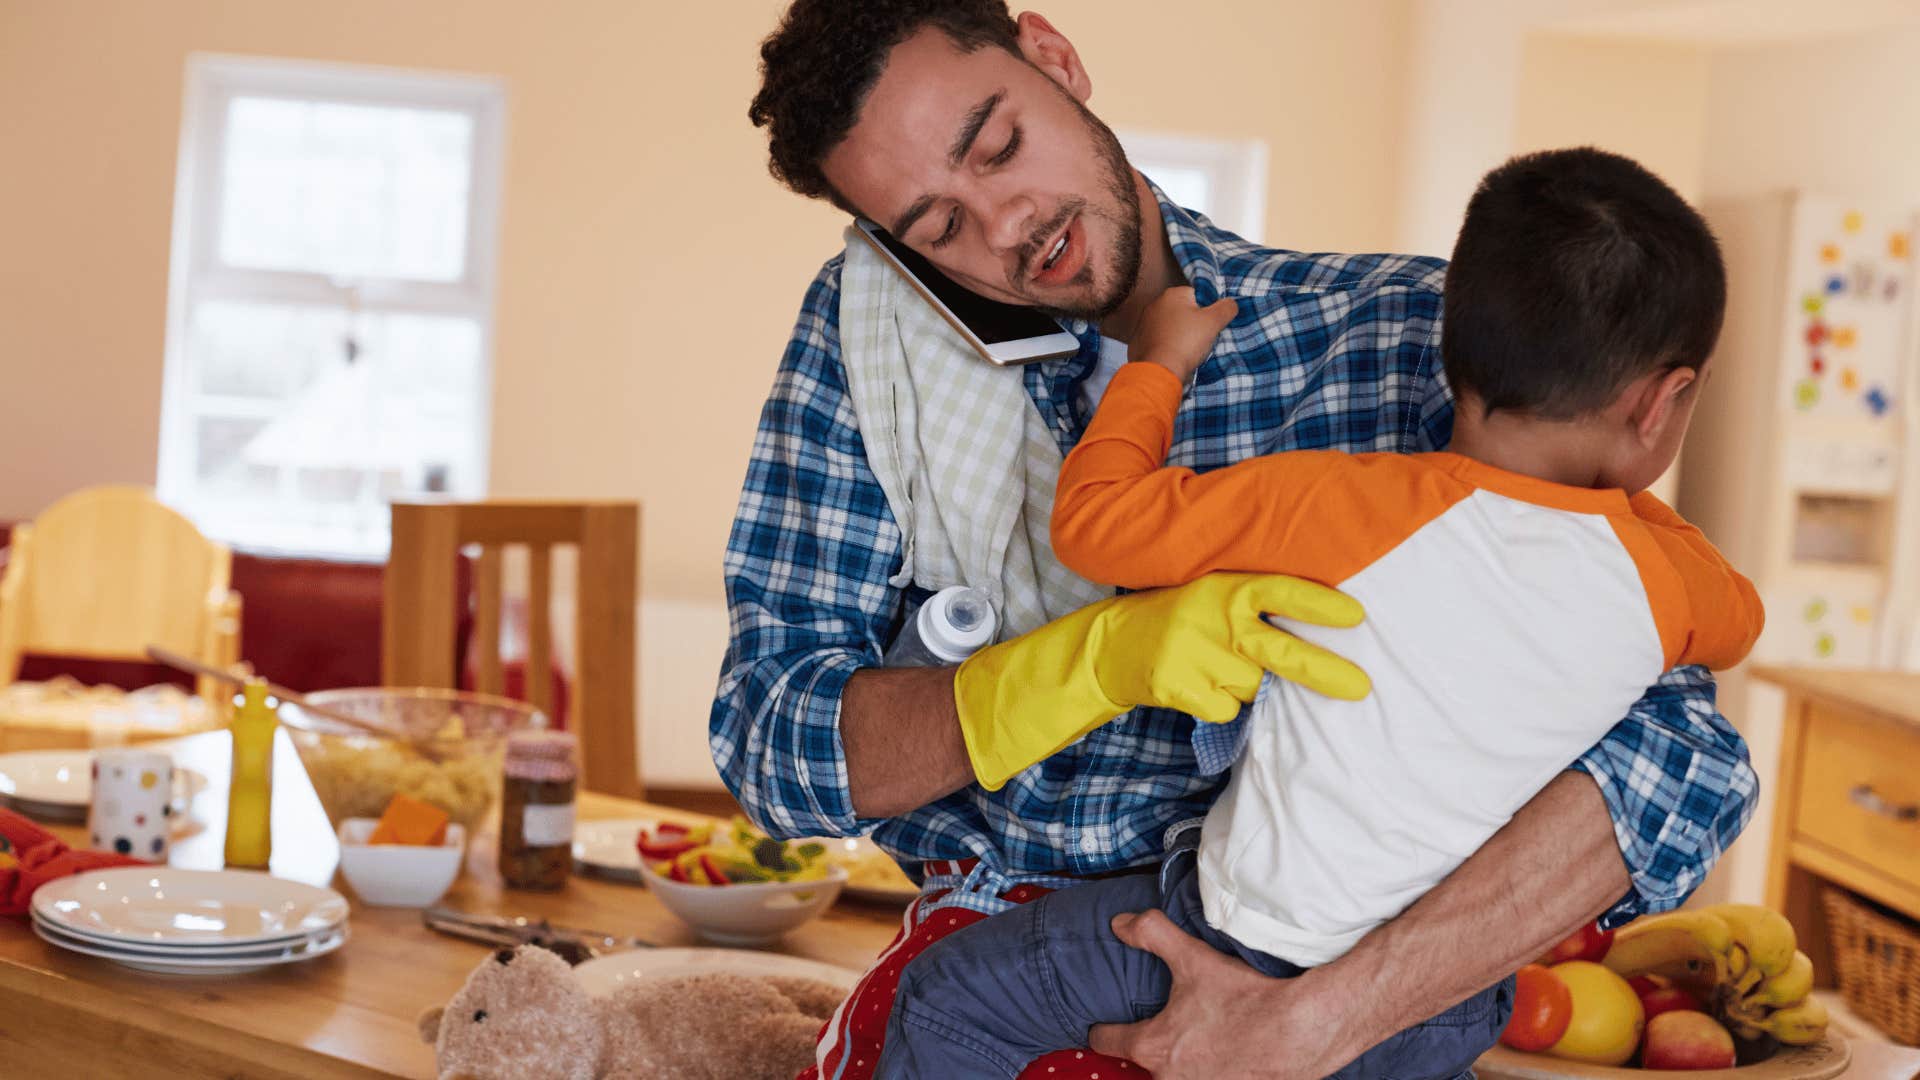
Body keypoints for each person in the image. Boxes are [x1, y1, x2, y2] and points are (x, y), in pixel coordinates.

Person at [715, 4, 1758, 1077]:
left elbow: (1679, 760)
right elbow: (771, 745)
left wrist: (1317, 1022)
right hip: (1017, 958)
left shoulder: (1401, 338)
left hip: (1339, 990)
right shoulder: (880, 353)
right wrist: (1078, 669)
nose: (1006, 223)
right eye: (938, 226)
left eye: (1000, 145)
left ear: (1055, 59)